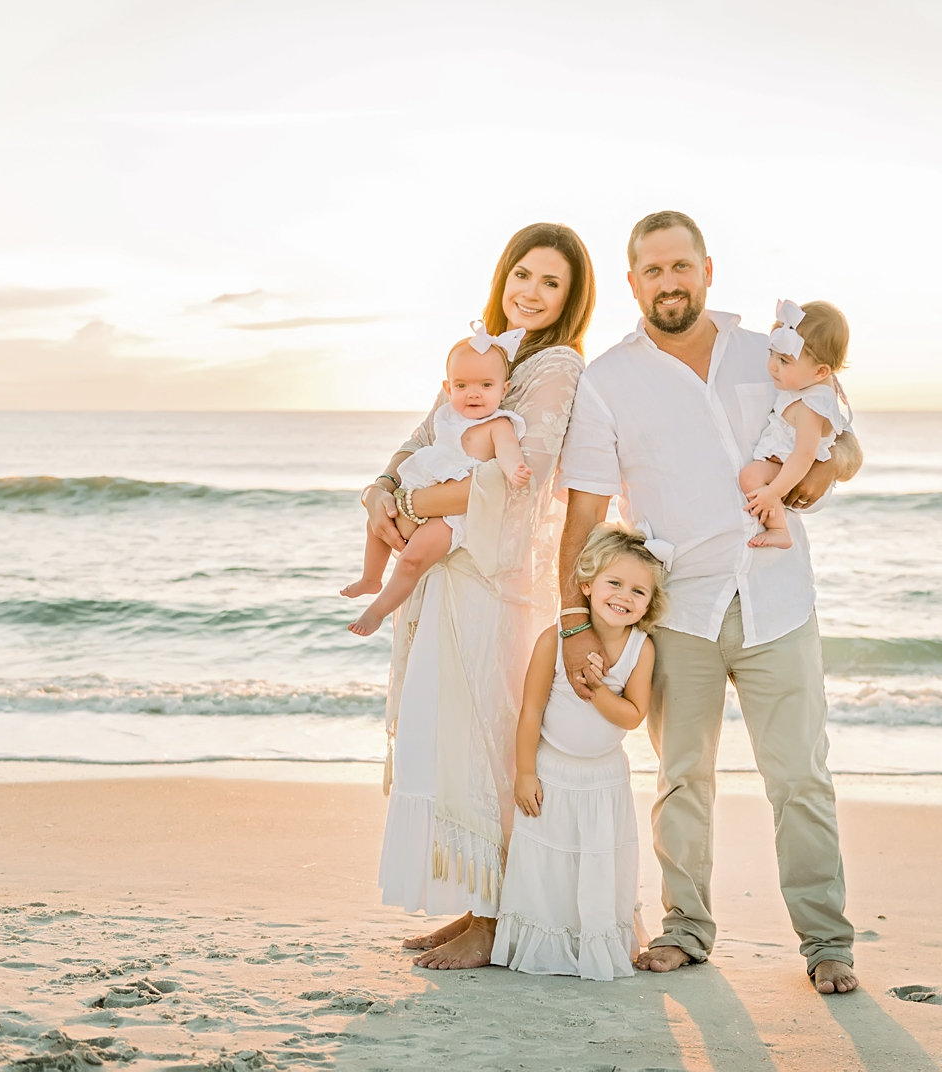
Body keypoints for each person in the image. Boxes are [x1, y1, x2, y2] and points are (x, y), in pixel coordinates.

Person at [556, 210, 864, 995]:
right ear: (633, 283)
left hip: (776, 600)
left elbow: (842, 441)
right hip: (679, 609)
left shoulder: (771, 353)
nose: (668, 282)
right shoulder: (608, 381)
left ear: (706, 270)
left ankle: (827, 943)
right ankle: (686, 930)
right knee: (681, 776)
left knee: (800, 777)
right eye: (652, 271)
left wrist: (816, 481)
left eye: (680, 266)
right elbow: (587, 511)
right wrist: (574, 620)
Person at [361, 222, 596, 970]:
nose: (530, 291)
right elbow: (419, 441)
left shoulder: (554, 365)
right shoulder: (488, 355)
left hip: (494, 582)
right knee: (452, 738)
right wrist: (382, 489)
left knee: (490, 741)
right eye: (522, 274)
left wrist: (420, 506)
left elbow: (512, 478)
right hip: (451, 578)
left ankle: (498, 919)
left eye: (550, 282)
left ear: (570, 298)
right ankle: (473, 905)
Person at [491, 524, 667, 981]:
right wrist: (525, 773)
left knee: (596, 859)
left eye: (638, 591)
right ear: (586, 586)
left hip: (604, 780)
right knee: (550, 861)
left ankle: (590, 941)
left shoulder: (640, 648)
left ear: (650, 604)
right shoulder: (554, 639)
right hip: (552, 771)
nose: (624, 597)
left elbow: (632, 715)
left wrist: (595, 691)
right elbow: (530, 712)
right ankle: (548, 942)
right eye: (614, 583)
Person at [342, 324, 533, 636]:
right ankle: (370, 577)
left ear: (505, 388)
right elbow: (420, 443)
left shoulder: (499, 424)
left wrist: (516, 470)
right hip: (425, 486)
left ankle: (376, 612)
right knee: (375, 523)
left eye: (486, 385)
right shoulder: (446, 416)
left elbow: (509, 452)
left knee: (412, 560)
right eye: (462, 385)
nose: (473, 393)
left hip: (452, 515)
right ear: (448, 387)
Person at [739, 298, 854, 549]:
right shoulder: (807, 384)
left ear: (821, 372)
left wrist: (774, 492)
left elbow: (804, 455)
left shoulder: (811, 406)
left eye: (784, 361)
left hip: (789, 465)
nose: (772, 366)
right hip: (784, 460)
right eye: (772, 354)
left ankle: (779, 529)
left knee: (750, 477)